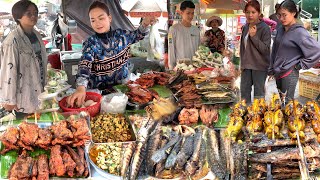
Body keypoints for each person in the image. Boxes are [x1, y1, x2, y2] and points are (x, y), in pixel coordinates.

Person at [66, 1, 155, 107]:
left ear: (110, 18)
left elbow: (138, 35)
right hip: (100, 96)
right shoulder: (91, 43)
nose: (97, 23)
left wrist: (145, 23)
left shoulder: (122, 36)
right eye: (93, 20)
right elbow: (85, 65)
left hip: (123, 92)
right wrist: (81, 87)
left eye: (101, 18)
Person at [0, 0, 47, 113]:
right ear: (18, 16)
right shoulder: (12, 41)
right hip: (22, 93)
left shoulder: (37, 35)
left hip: (38, 85)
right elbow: (8, 70)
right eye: (28, 13)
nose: (33, 16)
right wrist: (9, 101)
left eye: (35, 12)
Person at [268, 0, 320, 101]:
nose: (281, 19)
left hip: (289, 73)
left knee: (287, 102)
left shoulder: (300, 32)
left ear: (293, 13)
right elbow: (274, 49)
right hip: (277, 71)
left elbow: (316, 50)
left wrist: (299, 65)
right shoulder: (280, 30)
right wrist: (271, 68)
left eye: (284, 15)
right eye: (279, 15)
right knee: (281, 99)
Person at [240, 0, 271, 104]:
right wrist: (241, 64)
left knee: (259, 97)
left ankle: (257, 119)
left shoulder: (265, 28)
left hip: (259, 67)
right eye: (247, 12)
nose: (250, 15)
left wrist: (254, 37)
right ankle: (244, 117)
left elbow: (266, 50)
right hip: (246, 67)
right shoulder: (245, 28)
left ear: (259, 13)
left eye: (253, 12)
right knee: (244, 95)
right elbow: (243, 48)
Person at [168, 0, 200, 70]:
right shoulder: (174, 29)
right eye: (188, 13)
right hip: (180, 68)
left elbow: (198, 49)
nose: (191, 16)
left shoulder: (196, 30)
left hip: (194, 68)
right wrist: (171, 68)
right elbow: (171, 49)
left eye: (192, 13)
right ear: (181, 13)